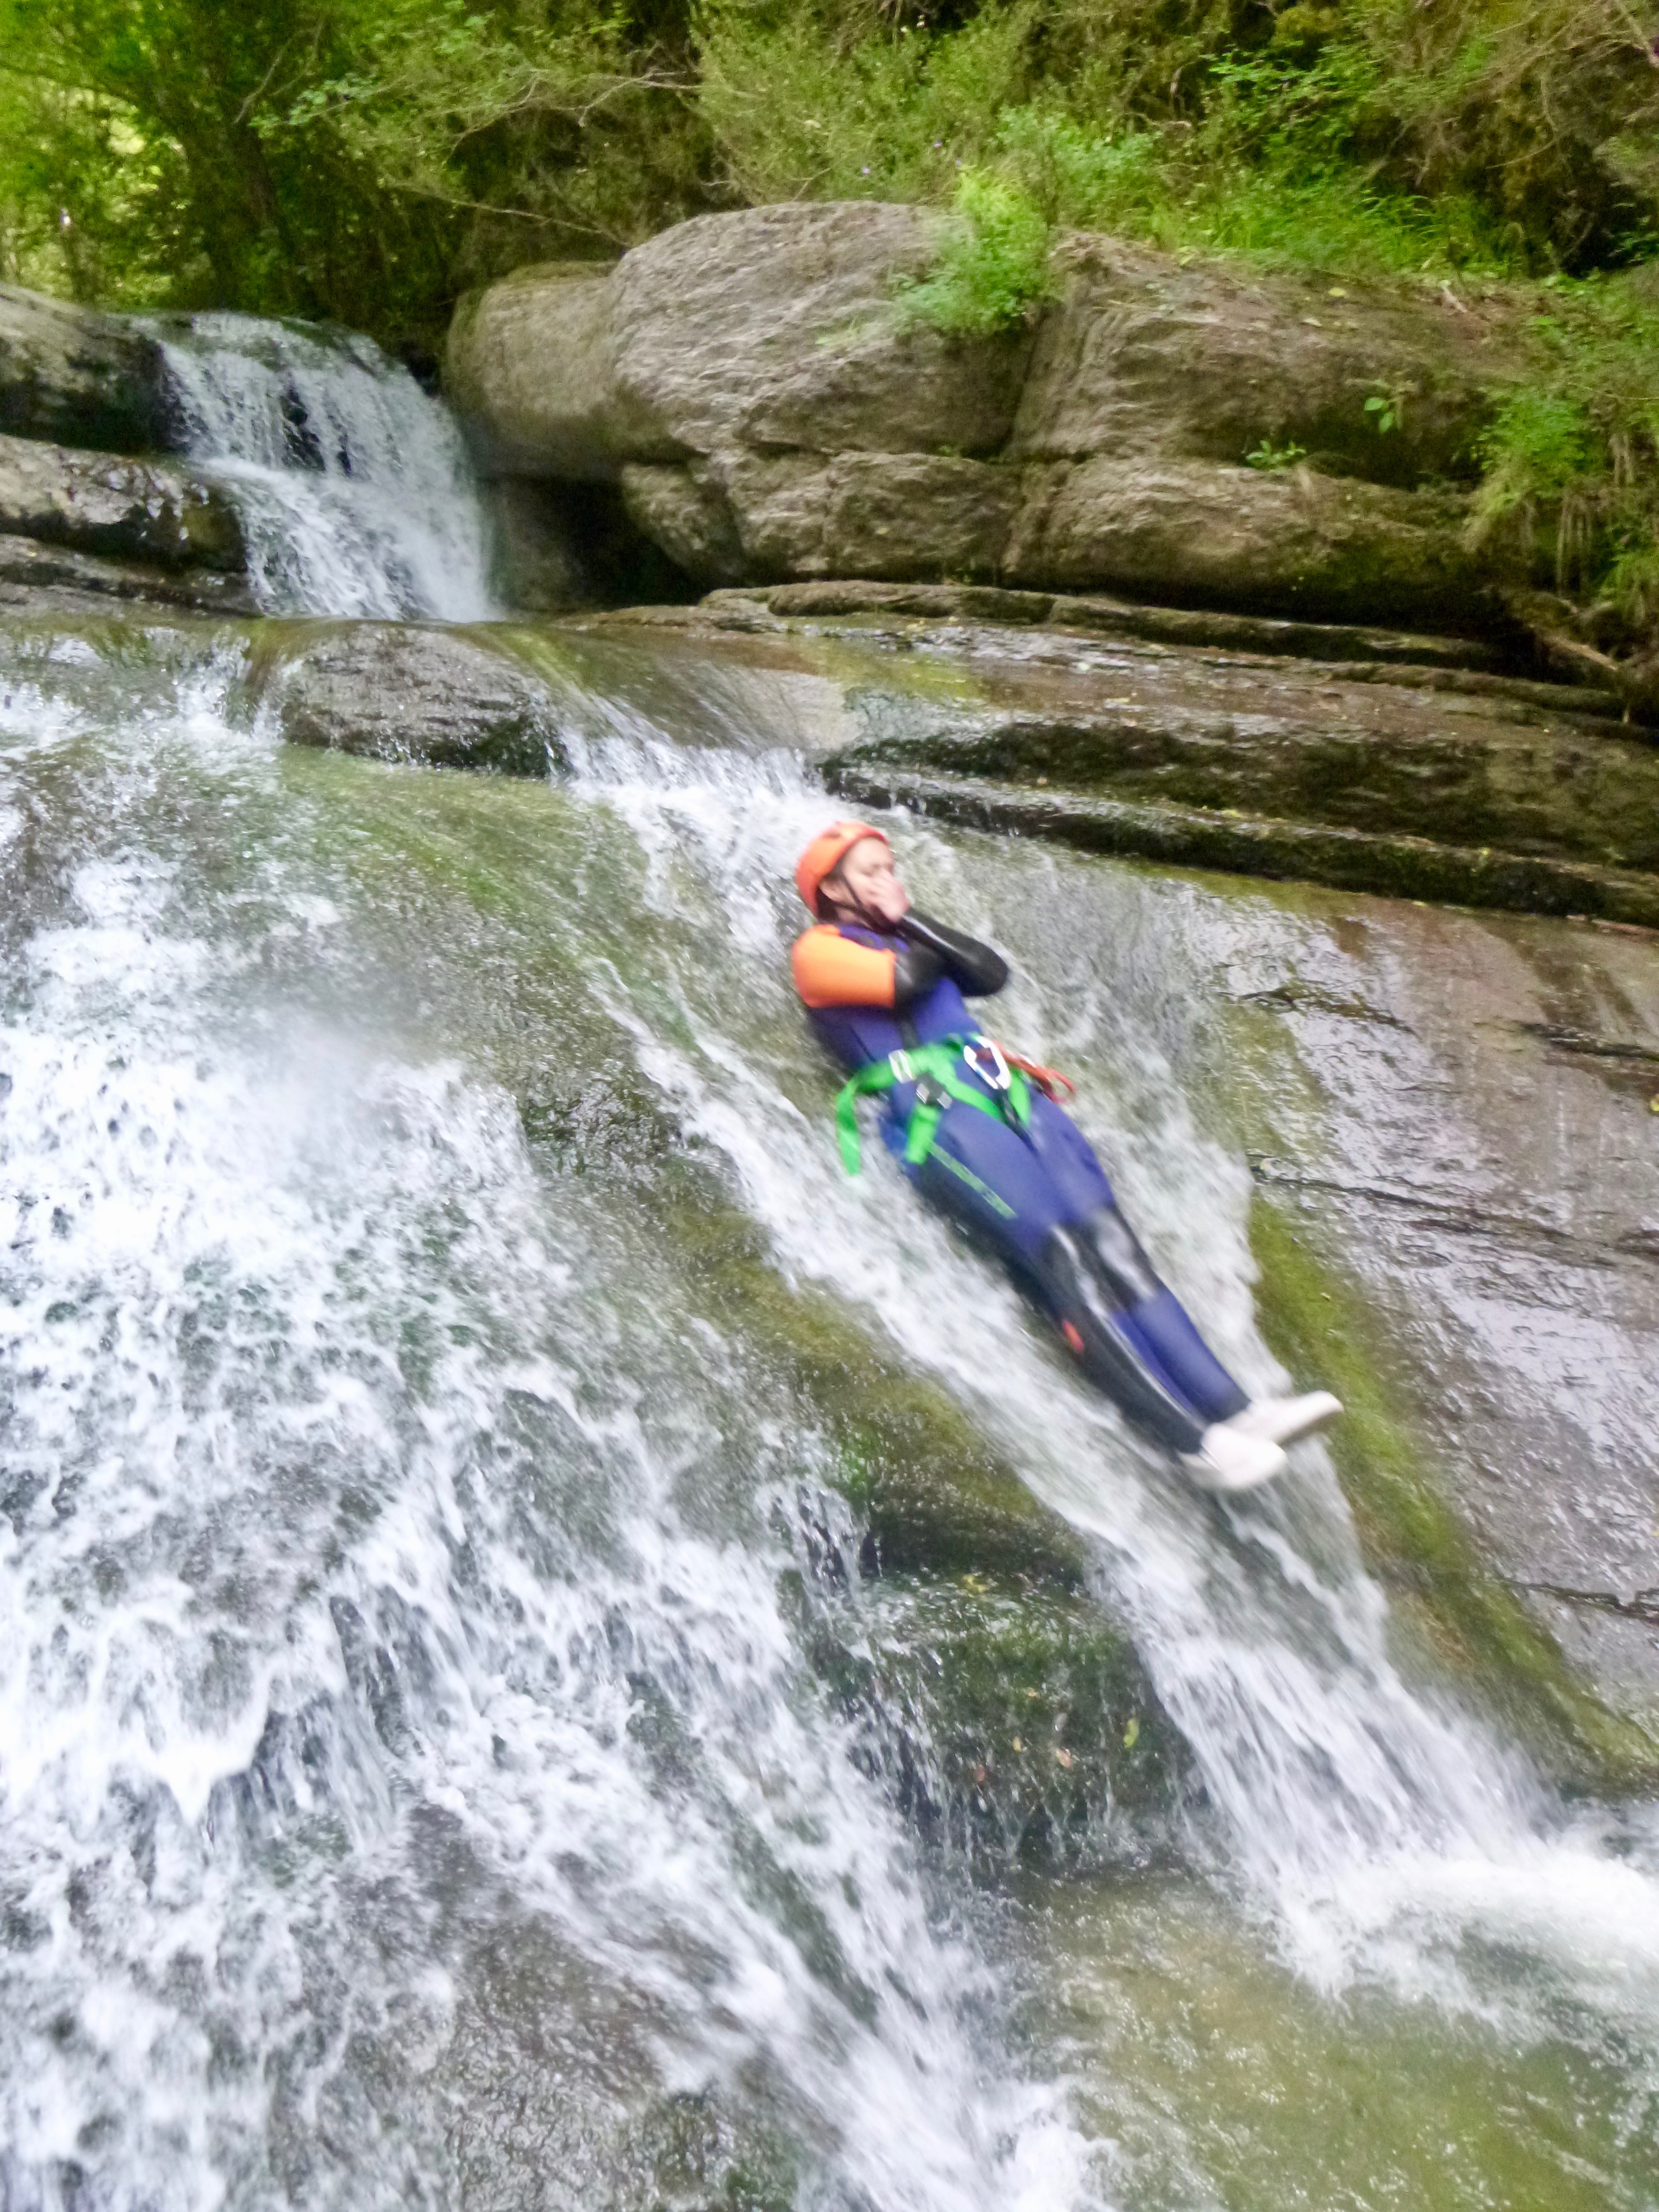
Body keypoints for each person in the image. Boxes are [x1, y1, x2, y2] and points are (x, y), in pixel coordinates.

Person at [789, 820, 1341, 1491]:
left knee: (1116, 1243)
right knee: (1065, 1258)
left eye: (889, 866)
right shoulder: (817, 950)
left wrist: (913, 918)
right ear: (832, 889)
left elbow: (989, 972)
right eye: (869, 872)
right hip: (943, 1121)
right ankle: (1194, 1446)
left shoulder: (914, 932)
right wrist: (907, 927)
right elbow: (905, 983)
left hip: (1009, 1096)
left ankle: (1238, 1411)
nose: (888, 879)